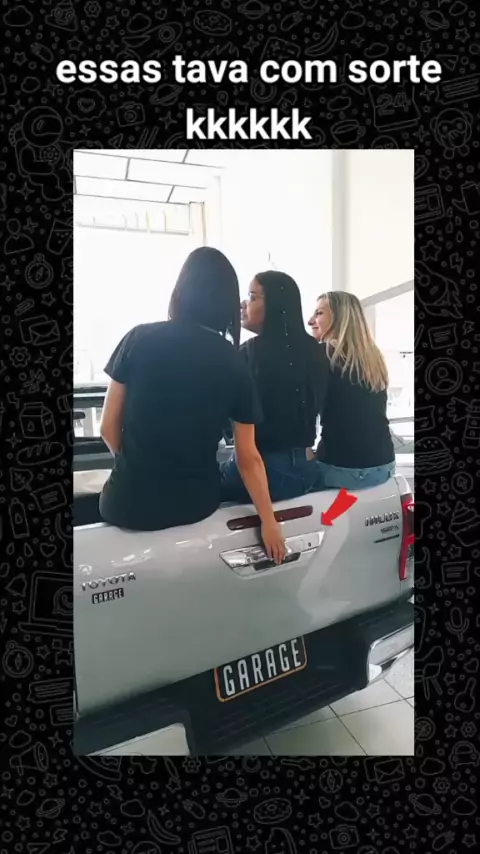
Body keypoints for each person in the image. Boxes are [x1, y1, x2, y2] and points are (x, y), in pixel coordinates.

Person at [98, 247, 285, 564]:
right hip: (195, 505)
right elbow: (248, 457)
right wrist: (269, 522)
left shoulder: (138, 338)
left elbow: (107, 427)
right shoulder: (233, 360)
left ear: (181, 289)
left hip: (126, 504)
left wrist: (137, 466)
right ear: (227, 300)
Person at [220, 271, 330, 502]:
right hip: (306, 469)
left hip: (265, 471)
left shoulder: (248, 353)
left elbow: (230, 423)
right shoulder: (316, 350)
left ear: (275, 305)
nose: (242, 304)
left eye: (252, 297)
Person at [307, 291, 395, 489]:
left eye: (319, 313)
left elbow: (303, 411)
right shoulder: (373, 357)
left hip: (342, 469)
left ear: (341, 317)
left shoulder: (322, 354)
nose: (310, 321)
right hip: (384, 466)